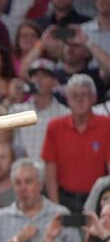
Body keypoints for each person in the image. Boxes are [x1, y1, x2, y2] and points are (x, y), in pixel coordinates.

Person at [42, 74, 110, 213]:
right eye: (74, 95)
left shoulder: (107, 125)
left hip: (98, 199)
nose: (79, 100)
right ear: (68, 99)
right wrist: (56, 208)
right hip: (64, 198)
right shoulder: (55, 127)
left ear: (93, 98)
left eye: (84, 95)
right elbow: (50, 173)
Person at [9, 58, 70, 160]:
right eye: (35, 75)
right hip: (22, 171)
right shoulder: (16, 110)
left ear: (54, 82)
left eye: (44, 76)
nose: (39, 80)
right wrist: (10, 98)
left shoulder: (65, 114)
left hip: (50, 171)